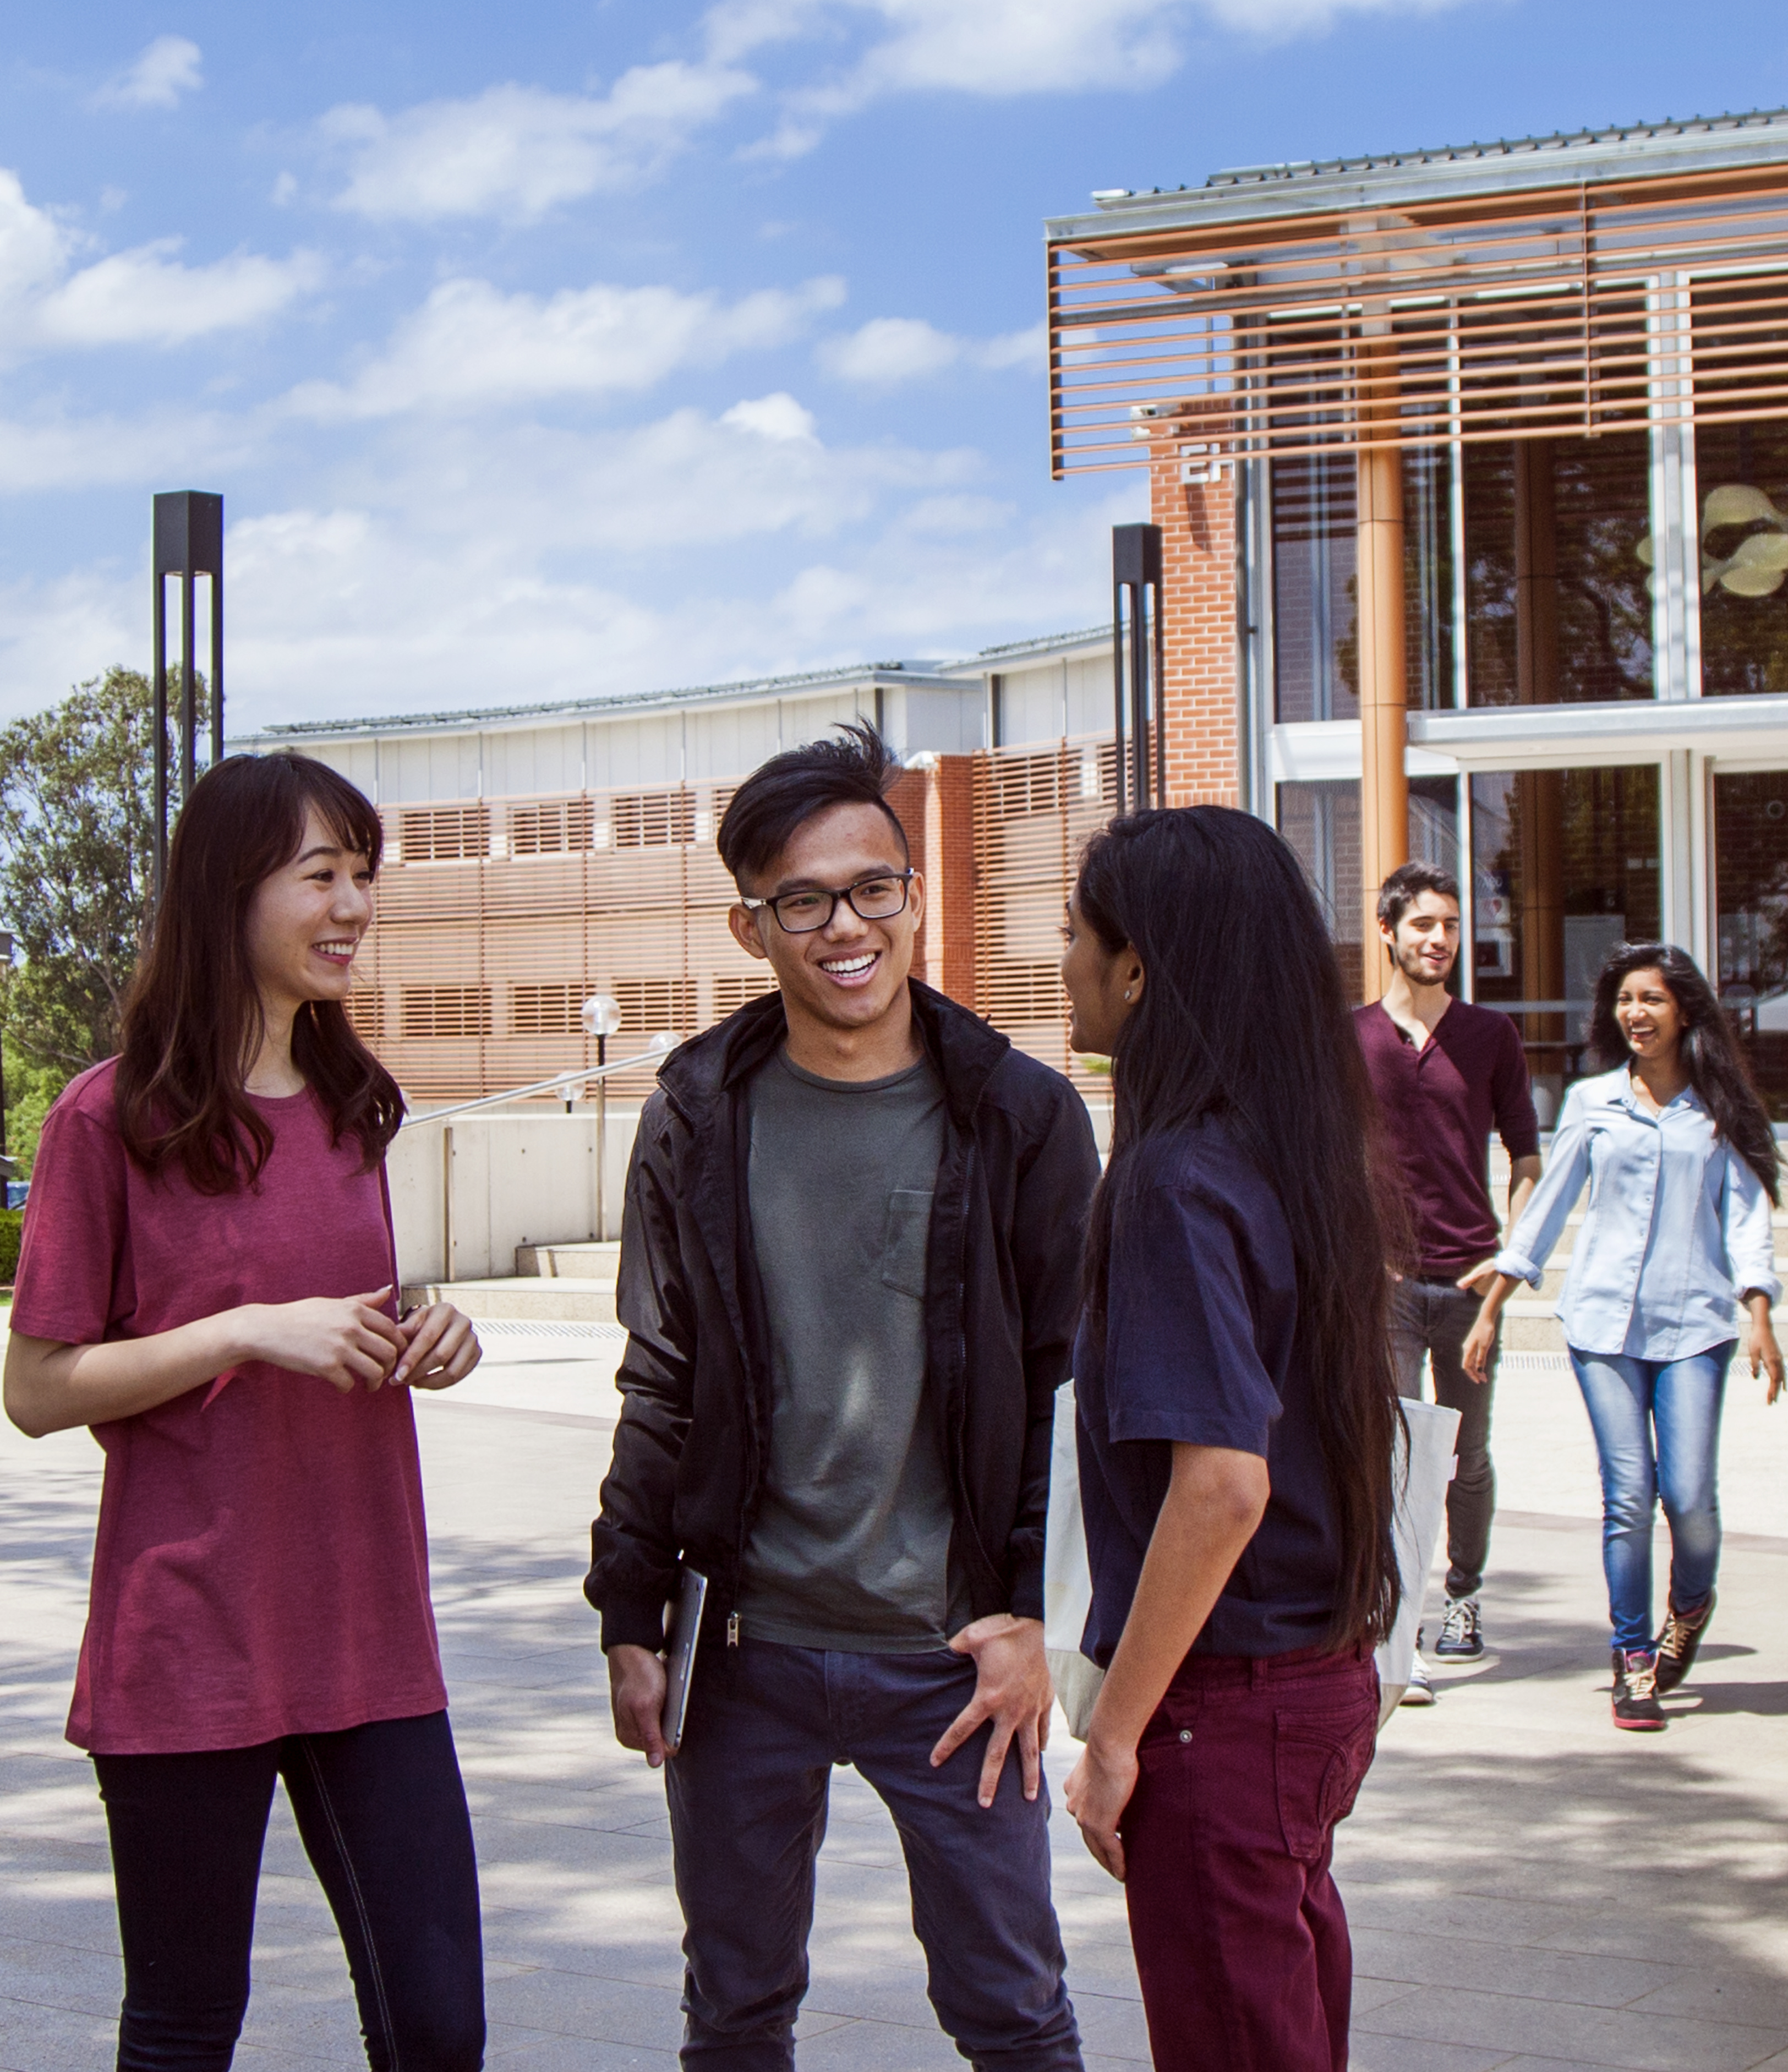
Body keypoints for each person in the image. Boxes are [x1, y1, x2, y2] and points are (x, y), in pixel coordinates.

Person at [586, 721, 1098, 2072]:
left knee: (1016, 2016)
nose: (846, 926)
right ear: (753, 927)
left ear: (916, 893)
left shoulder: (1021, 1115)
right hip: (744, 1651)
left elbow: (1066, 1389)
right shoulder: (697, 1108)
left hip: (956, 1657)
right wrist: (630, 1613)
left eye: (876, 887)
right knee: (737, 2016)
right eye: (802, 901)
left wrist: (1034, 1619)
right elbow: (662, 1373)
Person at [2, 750, 488, 2071]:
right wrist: (236, 1335)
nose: (353, 908)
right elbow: (35, 1389)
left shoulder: (353, 1108)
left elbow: (349, 1315)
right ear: (228, 893)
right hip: (188, 1645)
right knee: (182, 2029)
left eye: (364, 878)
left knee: (440, 2029)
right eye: (321, 876)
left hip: (370, 1636)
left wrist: (433, 1332)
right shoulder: (109, 1122)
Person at [1056, 807, 1404, 2072]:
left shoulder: (1172, 1180)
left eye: (1074, 937)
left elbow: (1221, 1487)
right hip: (1316, 1685)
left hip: (1230, 1706)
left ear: (1138, 968)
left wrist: (1113, 1738)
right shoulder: (1295, 1156)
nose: (1063, 964)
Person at [1464, 941, 1782, 1734]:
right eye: (1625, 1000)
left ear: (1684, 1012)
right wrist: (1498, 1295)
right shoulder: (1593, 1101)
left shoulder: (1717, 1108)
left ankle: (1692, 1601)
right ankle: (1632, 1658)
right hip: (1602, 1325)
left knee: (1692, 1499)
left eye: (1653, 1000)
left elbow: (1744, 1213)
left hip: (1695, 1326)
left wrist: (1760, 1314)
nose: (1636, 1014)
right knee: (1630, 1496)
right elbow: (1550, 1203)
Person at [1354, 860, 1541, 1686]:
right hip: (1386, 1287)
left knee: (1468, 1455)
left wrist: (1510, 1261)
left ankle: (1461, 1600)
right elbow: (1324, 1156)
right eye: (1424, 925)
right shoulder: (1349, 1037)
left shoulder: (1491, 1036)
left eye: (1451, 926)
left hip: (1470, 1285)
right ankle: (1393, 1624)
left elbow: (1526, 1155)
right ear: (1388, 932)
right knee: (1391, 1455)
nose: (1440, 940)